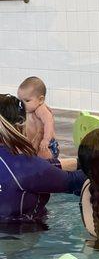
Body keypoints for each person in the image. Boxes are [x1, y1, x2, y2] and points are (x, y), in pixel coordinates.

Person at [0, 94, 86, 222]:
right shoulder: (27, 168)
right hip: (19, 237)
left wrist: (80, 162)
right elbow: (76, 181)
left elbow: (40, 167)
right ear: (20, 125)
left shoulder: (22, 165)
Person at [17, 76, 59, 159]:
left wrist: (46, 140)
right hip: (34, 144)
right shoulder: (28, 110)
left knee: (41, 160)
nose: (22, 104)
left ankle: (52, 167)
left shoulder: (41, 109)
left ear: (40, 100)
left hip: (46, 146)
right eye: (20, 100)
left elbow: (49, 123)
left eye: (27, 100)